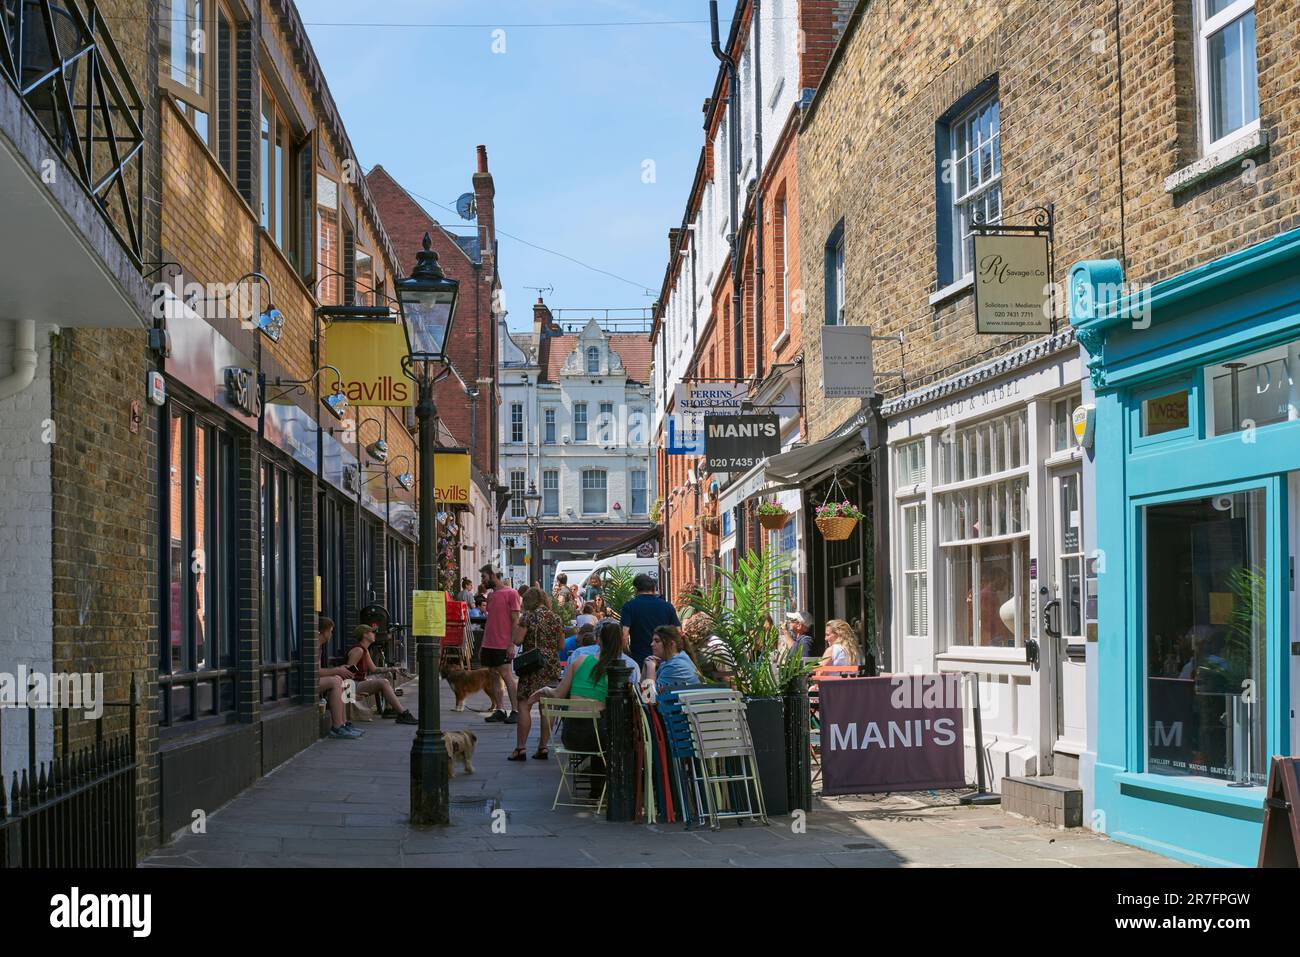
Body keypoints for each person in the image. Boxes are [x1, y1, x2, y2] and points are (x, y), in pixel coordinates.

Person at [512, 621, 623, 771]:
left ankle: (589, 766)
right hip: (599, 739)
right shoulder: (618, 670)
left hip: (571, 736)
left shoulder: (579, 661)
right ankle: (598, 778)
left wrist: (545, 690)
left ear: (598, 639)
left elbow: (557, 695)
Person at [504, 588, 565, 759]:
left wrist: (517, 626)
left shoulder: (529, 617)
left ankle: (521, 748)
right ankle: (543, 747)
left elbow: (517, 640)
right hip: (551, 665)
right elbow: (561, 646)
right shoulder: (556, 618)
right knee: (547, 705)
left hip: (533, 664)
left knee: (524, 704)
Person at [345, 625, 419, 725]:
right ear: (365, 635)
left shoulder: (365, 650)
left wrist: (392, 669)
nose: (374, 634)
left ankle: (389, 709)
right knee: (383, 682)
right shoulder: (358, 650)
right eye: (372, 632)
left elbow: (374, 669)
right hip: (354, 685)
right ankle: (403, 714)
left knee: (387, 674)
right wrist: (351, 694)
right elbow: (347, 673)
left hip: (360, 682)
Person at [480, 563, 521, 723]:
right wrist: (483, 644)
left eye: (484, 577)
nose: (483, 580)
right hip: (489, 644)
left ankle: (516, 711)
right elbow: (491, 621)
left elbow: (515, 620)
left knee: (507, 676)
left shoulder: (512, 593)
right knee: (493, 676)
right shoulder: (490, 596)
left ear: (493, 575)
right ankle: (500, 709)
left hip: (503, 644)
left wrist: (511, 644)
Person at [619, 573, 680, 667]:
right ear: (654, 589)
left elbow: (624, 635)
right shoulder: (668, 606)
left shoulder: (629, 607)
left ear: (635, 589)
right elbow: (678, 632)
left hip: (640, 658)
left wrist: (628, 653)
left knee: (644, 682)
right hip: (664, 659)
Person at [316, 617, 363, 738]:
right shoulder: (315, 645)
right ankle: (336, 727)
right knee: (335, 681)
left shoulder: (319, 646)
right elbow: (316, 672)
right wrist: (337, 670)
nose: (331, 634)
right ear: (325, 631)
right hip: (304, 683)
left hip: (314, 681)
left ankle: (343, 724)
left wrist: (340, 669)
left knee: (339, 679)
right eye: (331, 631)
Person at [650, 625, 700, 694]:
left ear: (671, 644)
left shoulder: (675, 666)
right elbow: (642, 693)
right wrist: (645, 668)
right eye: (653, 641)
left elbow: (649, 697)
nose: (652, 644)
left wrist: (651, 667)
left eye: (657, 641)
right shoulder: (670, 661)